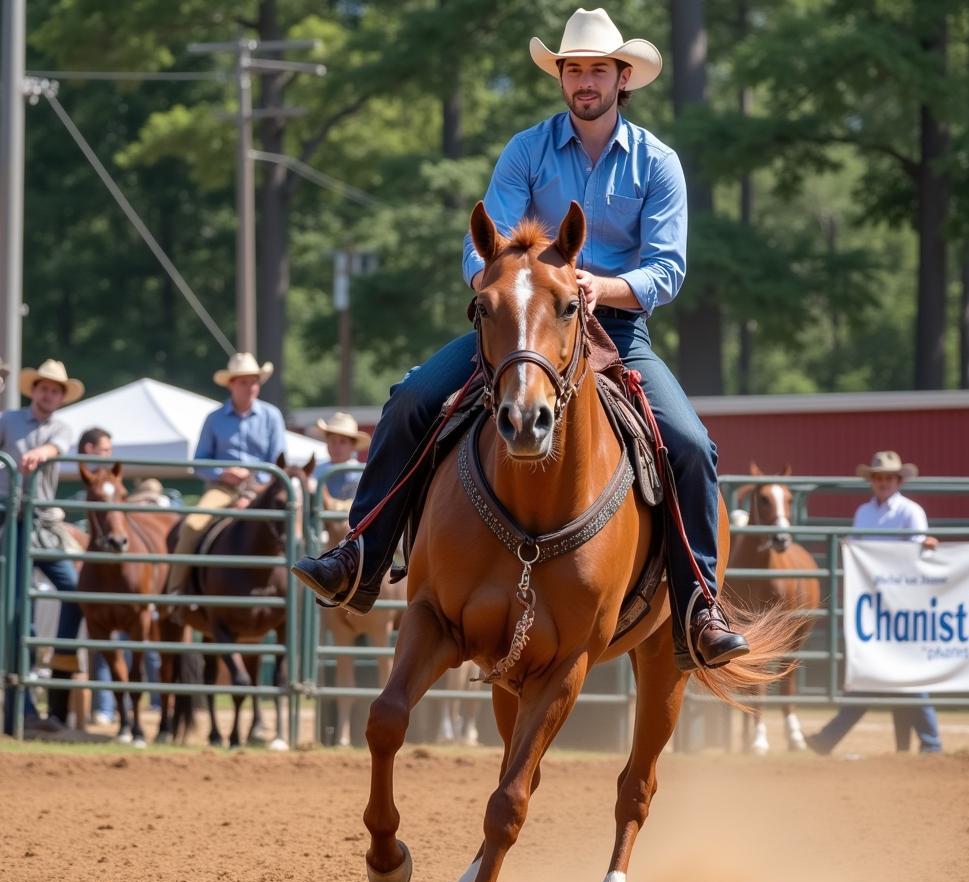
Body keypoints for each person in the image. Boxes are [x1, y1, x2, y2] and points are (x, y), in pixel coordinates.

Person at [291, 7, 749, 671]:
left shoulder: (658, 164)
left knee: (689, 444)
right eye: (573, 70)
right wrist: (505, 287)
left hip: (615, 326)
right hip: (521, 324)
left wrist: (597, 287)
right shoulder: (525, 150)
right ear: (561, 78)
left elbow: (667, 269)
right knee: (413, 398)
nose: (584, 81)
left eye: (597, 69)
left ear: (624, 77)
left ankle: (700, 605)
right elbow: (482, 244)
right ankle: (359, 553)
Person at [806, 451, 942, 755]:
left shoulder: (910, 512)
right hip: (874, 604)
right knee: (887, 672)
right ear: (873, 481)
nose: (883, 482)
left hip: (904, 605)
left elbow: (920, 553)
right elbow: (861, 553)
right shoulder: (864, 512)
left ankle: (830, 738)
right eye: (878, 477)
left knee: (895, 672)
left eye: (888, 478)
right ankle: (928, 743)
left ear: (897, 480)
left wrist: (926, 546)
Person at [0, 359, 86, 733]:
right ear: (33, 391)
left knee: (75, 590)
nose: (48, 394)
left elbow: (56, 446)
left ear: (61, 397)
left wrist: (42, 453)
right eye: (43, 388)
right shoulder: (8, 421)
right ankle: (20, 706)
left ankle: (60, 662)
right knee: (18, 608)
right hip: (11, 518)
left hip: (44, 522)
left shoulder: (61, 428)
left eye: (55, 390)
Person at [165, 352, 286, 614]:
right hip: (222, 488)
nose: (250, 387)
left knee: (293, 529)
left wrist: (256, 483)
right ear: (231, 384)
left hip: (261, 490)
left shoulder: (271, 416)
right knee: (191, 524)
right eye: (243, 382)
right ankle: (177, 593)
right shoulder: (214, 418)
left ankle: (297, 599)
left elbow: (278, 462)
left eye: (254, 381)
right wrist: (223, 473)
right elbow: (199, 462)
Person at [77, 426, 117, 725]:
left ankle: (176, 593)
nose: (108, 456)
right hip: (220, 486)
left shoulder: (112, 482)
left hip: (255, 487)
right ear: (89, 451)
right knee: (193, 527)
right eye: (104, 450)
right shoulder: (87, 483)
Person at [312, 412, 370, 502]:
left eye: (343, 442)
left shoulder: (363, 472)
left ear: (353, 445)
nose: (336, 446)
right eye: (332, 441)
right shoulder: (316, 472)